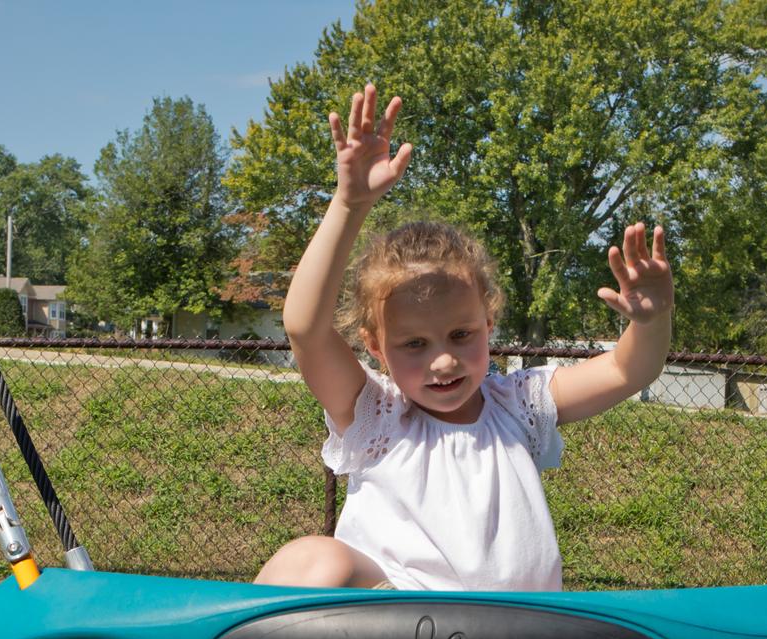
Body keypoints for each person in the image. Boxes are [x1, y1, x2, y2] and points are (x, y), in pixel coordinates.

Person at [255, 84, 675, 592]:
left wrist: (651, 322)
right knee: (310, 560)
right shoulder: (377, 416)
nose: (443, 361)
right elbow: (305, 328)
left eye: (460, 334)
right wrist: (349, 204)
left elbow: (628, 369)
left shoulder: (517, 405)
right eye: (414, 344)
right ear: (375, 346)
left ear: (489, 324)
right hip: (396, 635)